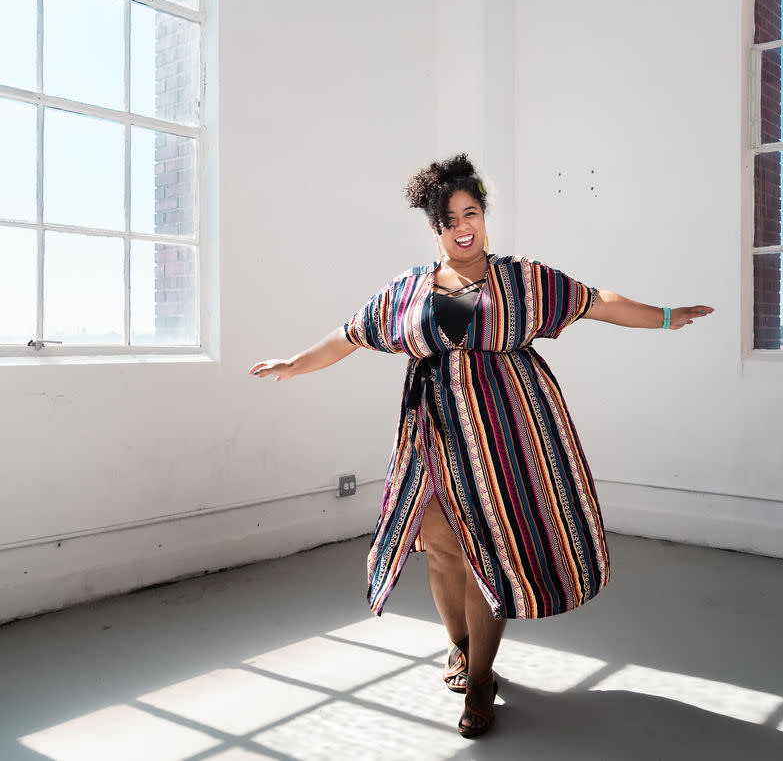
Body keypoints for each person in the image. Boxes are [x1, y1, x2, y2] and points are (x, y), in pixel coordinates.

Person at [250, 154, 713, 739]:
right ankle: (463, 650)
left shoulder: (522, 278)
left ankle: (481, 682)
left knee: (485, 555)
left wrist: (666, 316)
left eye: (471, 212)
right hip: (434, 436)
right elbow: (348, 336)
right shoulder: (406, 290)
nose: (462, 225)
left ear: (484, 215)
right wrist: (295, 364)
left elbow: (598, 301)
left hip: (508, 436)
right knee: (440, 547)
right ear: (433, 227)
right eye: (448, 219)